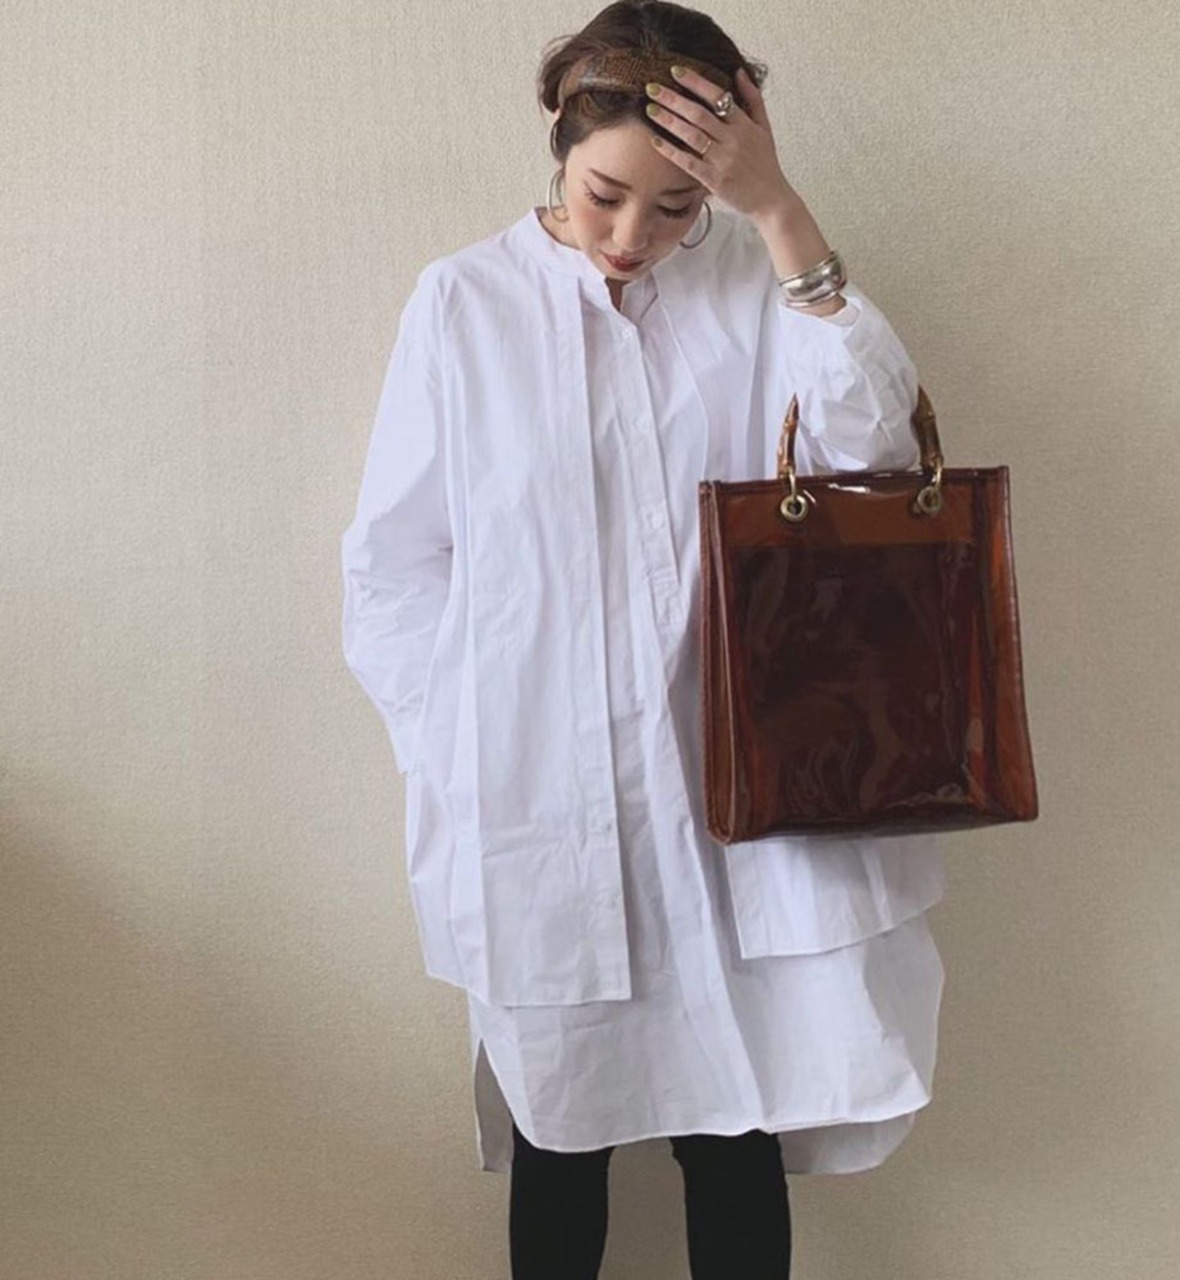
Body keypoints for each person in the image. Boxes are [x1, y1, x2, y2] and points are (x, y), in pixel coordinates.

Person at [340, 3, 946, 1276]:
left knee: (734, 1126)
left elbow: (872, 462)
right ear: (559, 145)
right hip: (541, 799)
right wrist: (455, 746)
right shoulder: (464, 304)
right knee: (560, 1133)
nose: (632, 236)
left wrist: (775, 210)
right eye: (604, 195)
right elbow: (393, 564)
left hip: (736, 786)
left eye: (677, 206)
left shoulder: (753, 285)